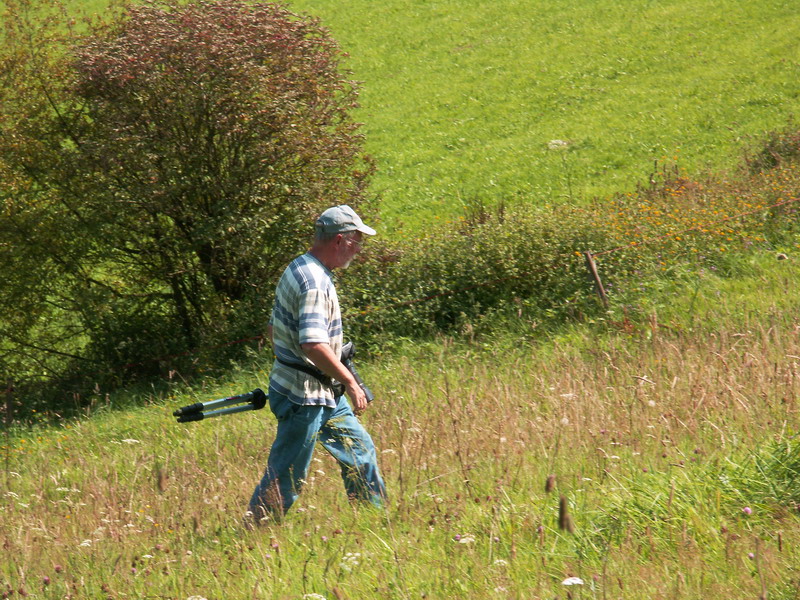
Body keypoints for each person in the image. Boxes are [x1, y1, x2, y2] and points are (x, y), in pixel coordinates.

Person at [247, 205, 387, 523]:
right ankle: (254, 530)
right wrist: (350, 382)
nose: (359, 249)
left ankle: (373, 521)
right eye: (357, 241)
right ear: (339, 240)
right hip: (304, 396)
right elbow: (313, 344)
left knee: (359, 450)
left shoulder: (299, 267)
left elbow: (273, 328)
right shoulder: (314, 283)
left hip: (320, 389)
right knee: (288, 475)